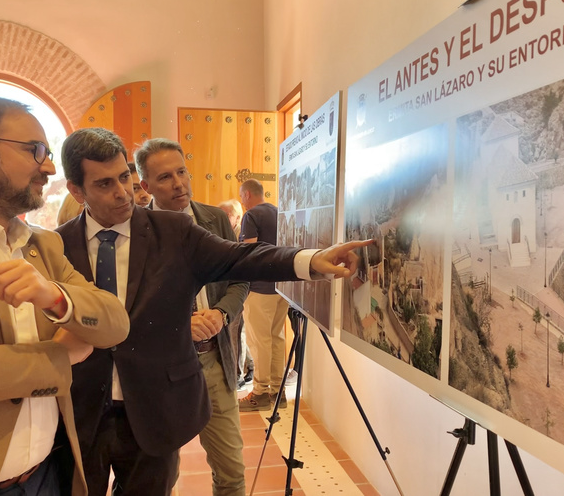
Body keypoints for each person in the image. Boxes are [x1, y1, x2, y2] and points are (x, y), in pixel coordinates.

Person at [57, 128, 370, 496]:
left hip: (152, 410)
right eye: (105, 183)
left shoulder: (173, 231)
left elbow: (243, 258)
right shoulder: (57, 244)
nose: (123, 192)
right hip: (83, 414)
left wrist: (312, 260)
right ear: (77, 191)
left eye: (124, 178)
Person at [0, 97, 130, 496]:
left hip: (48, 473)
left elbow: (115, 321)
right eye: (35, 150)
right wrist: (63, 355)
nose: (49, 167)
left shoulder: (42, 246)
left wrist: (55, 297)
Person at [136, 138, 249, 495]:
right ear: (145, 186)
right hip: (161, 373)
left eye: (182, 171)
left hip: (213, 361)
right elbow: (125, 306)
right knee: (159, 477)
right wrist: (176, 326)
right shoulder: (135, 230)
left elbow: (238, 278)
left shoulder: (214, 219)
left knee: (231, 472)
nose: (179, 183)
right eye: (166, 177)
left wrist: (221, 313)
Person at [237, 178, 290, 411]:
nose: (241, 200)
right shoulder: (280, 212)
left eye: (241, 196)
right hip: (282, 287)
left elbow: (250, 252)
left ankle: (259, 393)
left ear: (247, 194)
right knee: (277, 338)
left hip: (260, 287)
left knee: (259, 342)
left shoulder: (251, 216)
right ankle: (279, 392)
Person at [218, 199, 254, 387]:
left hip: (242, 291)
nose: (221, 218)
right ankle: (249, 365)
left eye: (226, 215)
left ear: (238, 217)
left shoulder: (241, 237)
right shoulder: (223, 235)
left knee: (237, 332)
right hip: (232, 292)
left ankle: (238, 375)